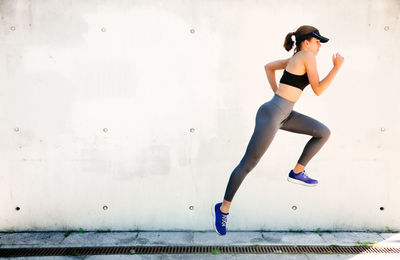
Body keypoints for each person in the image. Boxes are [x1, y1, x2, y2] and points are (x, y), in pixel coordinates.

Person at [212, 25, 344, 236]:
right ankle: (223, 208)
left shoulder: (296, 59)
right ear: (306, 41)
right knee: (248, 164)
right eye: (317, 41)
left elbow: (268, 66)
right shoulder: (307, 56)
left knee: (323, 132)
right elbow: (318, 89)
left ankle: (298, 171)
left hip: (285, 113)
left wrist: (278, 95)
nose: (320, 45)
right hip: (273, 114)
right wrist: (337, 67)